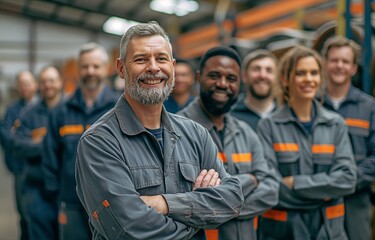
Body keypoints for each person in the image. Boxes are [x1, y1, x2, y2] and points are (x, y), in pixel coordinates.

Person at [75, 21, 244, 240]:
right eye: (141, 59)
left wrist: (164, 204)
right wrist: (195, 218)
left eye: (161, 58)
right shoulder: (99, 142)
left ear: (172, 67)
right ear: (120, 68)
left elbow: (232, 198)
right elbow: (126, 229)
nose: (153, 67)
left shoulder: (196, 134)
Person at [178, 46, 279, 240]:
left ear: (239, 83)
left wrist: (216, 205)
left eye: (231, 79)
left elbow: (272, 189)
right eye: (214, 75)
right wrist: (251, 180)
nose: (223, 84)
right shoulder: (178, 131)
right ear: (199, 78)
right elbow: (185, 200)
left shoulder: (246, 132)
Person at [257, 46, 356, 239]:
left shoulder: (335, 124)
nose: (309, 79)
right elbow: (270, 187)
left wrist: (296, 184)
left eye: (314, 73)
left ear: (320, 78)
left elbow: (348, 179)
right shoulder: (268, 126)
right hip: (286, 233)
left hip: (329, 232)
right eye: (301, 73)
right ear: (286, 79)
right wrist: (324, 193)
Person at [42, 43, 118, 240]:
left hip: (111, 203)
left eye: (95, 66)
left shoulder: (120, 108)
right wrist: (56, 194)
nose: (90, 71)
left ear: (107, 68)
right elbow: (50, 155)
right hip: (71, 201)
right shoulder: (61, 110)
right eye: (85, 67)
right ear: (78, 70)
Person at [320, 36, 375, 240]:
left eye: (345, 61)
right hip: (317, 199)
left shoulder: (369, 107)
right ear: (325, 64)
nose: (339, 66)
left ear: (353, 68)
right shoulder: (312, 103)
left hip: (356, 201)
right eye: (334, 60)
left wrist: (345, 182)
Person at [12, 66, 64, 240]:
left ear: (60, 83)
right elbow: (18, 145)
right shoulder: (29, 114)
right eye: (43, 81)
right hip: (36, 190)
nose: (48, 85)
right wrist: (52, 145)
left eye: (52, 80)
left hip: (66, 190)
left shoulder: (70, 110)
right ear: (38, 86)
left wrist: (40, 143)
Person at [0, 70, 38, 240]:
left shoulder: (43, 107)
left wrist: (22, 140)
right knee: (23, 211)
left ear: (35, 85)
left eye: (28, 83)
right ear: (18, 87)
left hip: (42, 169)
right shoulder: (12, 110)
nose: (25, 87)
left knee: (41, 213)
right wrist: (31, 142)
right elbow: (7, 137)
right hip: (21, 169)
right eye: (22, 84)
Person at [231, 49, 278, 130]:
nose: (262, 75)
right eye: (256, 69)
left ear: (277, 78)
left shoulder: (287, 115)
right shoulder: (231, 115)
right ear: (244, 76)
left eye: (269, 70)